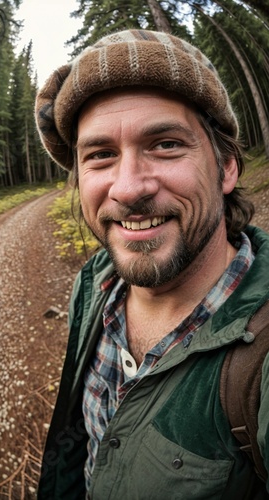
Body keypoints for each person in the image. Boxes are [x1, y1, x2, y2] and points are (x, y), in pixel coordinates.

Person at [35, 29, 269, 499]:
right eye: (100, 156)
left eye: (165, 144)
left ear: (226, 167)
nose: (128, 188)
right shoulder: (95, 282)